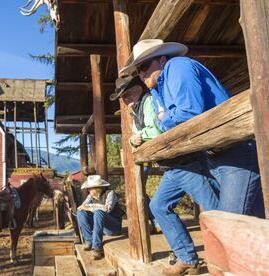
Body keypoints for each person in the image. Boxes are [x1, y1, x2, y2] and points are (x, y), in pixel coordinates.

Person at [122, 39, 234, 275]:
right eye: (138, 70)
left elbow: (181, 116)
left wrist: (163, 120)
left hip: (189, 161)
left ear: (162, 59)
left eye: (144, 67)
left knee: (214, 209)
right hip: (173, 166)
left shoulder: (171, 77)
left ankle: (225, 262)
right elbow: (164, 124)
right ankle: (188, 257)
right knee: (159, 206)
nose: (141, 75)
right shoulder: (157, 91)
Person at [112, 76, 162, 233]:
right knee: (139, 190)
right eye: (123, 97)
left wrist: (138, 137)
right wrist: (136, 139)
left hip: (164, 156)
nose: (125, 100)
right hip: (151, 157)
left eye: (127, 95)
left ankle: (155, 221)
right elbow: (133, 140)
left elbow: (154, 131)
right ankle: (155, 221)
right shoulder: (136, 110)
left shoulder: (148, 101)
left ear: (138, 90)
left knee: (140, 191)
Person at [77, 175, 124, 260]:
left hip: (113, 228)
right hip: (102, 226)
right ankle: (89, 241)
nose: (88, 190)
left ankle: (97, 248)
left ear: (97, 188)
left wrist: (91, 207)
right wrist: (93, 207)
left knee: (98, 212)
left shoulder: (110, 193)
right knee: (80, 212)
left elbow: (107, 209)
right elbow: (81, 207)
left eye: (90, 188)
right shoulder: (90, 196)